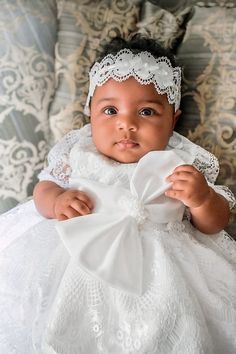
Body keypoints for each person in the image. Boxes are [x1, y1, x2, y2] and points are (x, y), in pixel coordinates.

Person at [0, 35, 235, 354]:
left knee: (169, 329)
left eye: (148, 112)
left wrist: (202, 199)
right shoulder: (79, 153)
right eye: (110, 110)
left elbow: (215, 224)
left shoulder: (180, 162)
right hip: (77, 252)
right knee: (54, 321)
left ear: (172, 120)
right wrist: (56, 200)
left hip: (163, 269)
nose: (127, 124)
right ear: (90, 115)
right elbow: (43, 188)